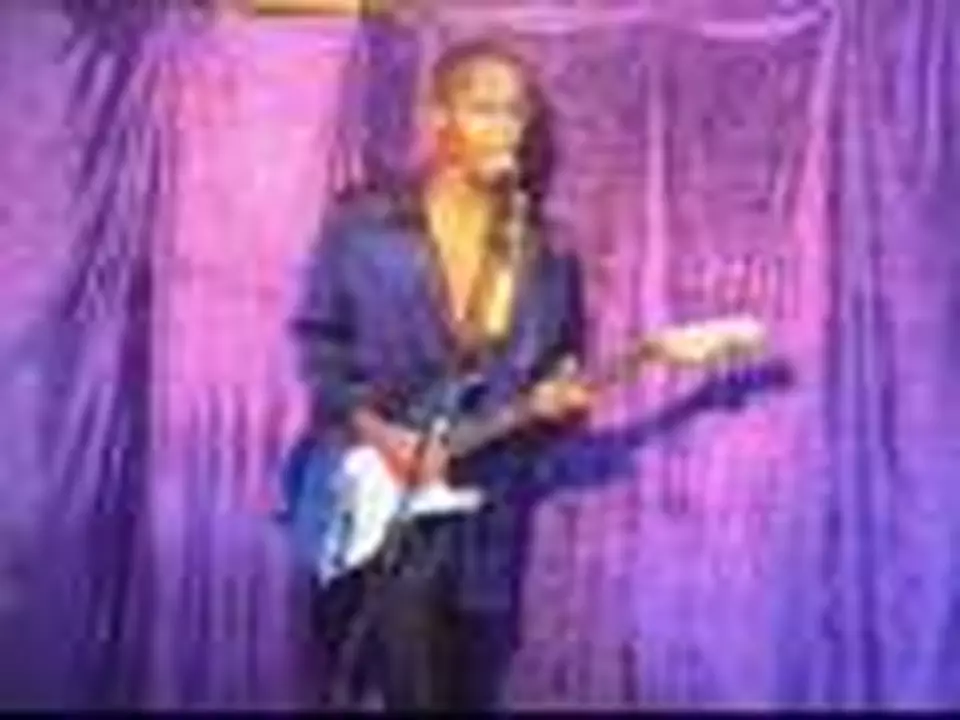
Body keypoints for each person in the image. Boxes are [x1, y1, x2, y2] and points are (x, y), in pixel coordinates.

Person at [289, 37, 591, 711]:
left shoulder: (549, 253)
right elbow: (318, 346)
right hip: (375, 501)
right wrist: (377, 432)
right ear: (437, 117)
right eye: (485, 109)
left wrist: (560, 403)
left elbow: (559, 371)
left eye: (516, 112)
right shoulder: (363, 227)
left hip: (487, 518)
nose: (506, 128)